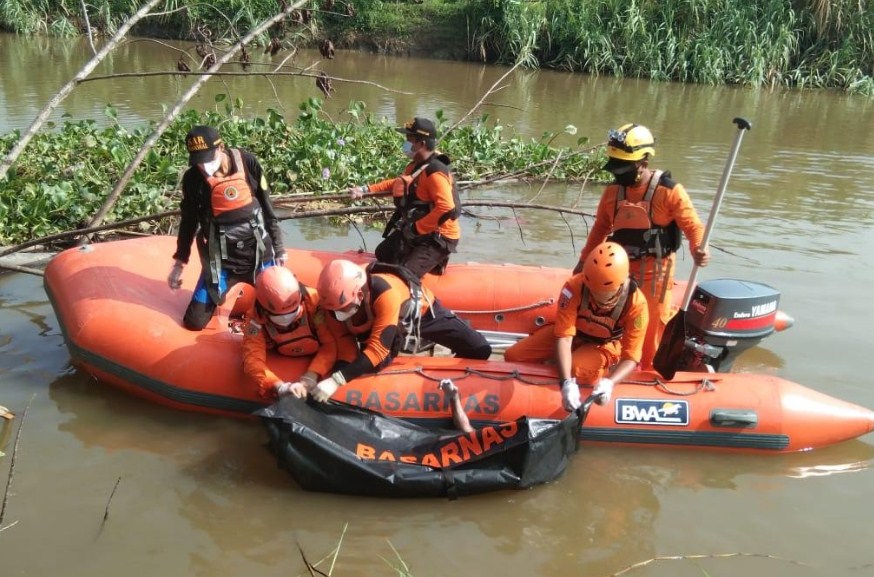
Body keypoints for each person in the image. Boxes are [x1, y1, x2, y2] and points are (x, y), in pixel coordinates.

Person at [572, 123, 709, 369]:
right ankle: (610, 361)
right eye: (616, 167)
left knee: (650, 324)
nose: (618, 174)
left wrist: (698, 248)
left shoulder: (669, 191)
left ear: (643, 162)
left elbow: (693, 226)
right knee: (610, 319)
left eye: (624, 167)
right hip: (617, 269)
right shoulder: (613, 192)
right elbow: (601, 228)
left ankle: (646, 370)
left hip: (655, 270)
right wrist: (583, 263)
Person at [308, 259, 492, 402]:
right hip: (377, 321)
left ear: (359, 294)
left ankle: (438, 345)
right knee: (375, 367)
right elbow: (343, 341)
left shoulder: (385, 293)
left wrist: (337, 381)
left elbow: (377, 350)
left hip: (420, 315)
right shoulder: (332, 305)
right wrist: (336, 375)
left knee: (480, 349)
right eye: (334, 311)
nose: (337, 314)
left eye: (341, 309)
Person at [168, 125, 286, 331]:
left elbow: (268, 209)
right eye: (198, 160)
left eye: (207, 157)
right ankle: (223, 294)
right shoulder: (193, 178)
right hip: (220, 263)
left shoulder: (248, 162)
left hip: (259, 255)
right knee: (194, 322)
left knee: (282, 312)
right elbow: (188, 221)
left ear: (221, 147)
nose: (204, 165)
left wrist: (280, 249)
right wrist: (179, 262)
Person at [506, 242, 648, 412]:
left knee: (577, 369)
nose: (597, 298)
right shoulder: (574, 287)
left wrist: (610, 383)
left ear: (620, 285)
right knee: (514, 355)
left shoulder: (636, 305)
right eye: (593, 291)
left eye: (604, 294)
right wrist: (566, 383)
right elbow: (564, 337)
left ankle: (600, 371)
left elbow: (631, 358)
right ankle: (563, 368)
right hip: (574, 335)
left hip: (604, 345)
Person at [348, 117, 461, 278]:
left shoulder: (435, 172)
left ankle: (435, 262)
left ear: (421, 144)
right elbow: (398, 184)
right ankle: (422, 260)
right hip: (420, 230)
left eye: (409, 139)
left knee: (403, 275)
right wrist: (365, 190)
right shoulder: (415, 166)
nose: (406, 143)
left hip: (439, 237)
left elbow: (446, 208)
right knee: (383, 253)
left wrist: (416, 229)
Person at [241, 266, 358, 400]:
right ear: (265, 310)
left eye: (292, 312)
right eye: (281, 315)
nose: (287, 318)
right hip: (280, 350)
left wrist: (311, 376)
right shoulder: (255, 319)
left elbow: (330, 345)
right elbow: (252, 359)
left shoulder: (314, 303)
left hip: (317, 351)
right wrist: (279, 386)